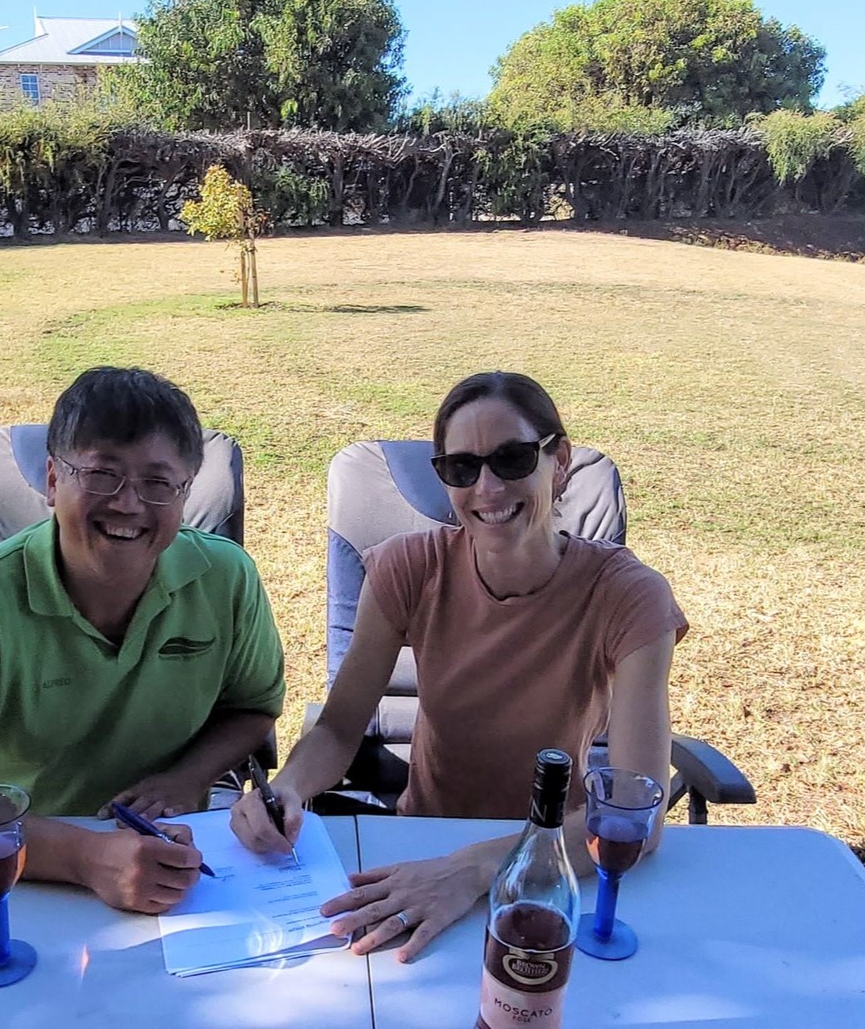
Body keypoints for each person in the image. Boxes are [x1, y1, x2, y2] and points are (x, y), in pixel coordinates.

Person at [231, 371, 684, 962]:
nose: (487, 488)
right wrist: (285, 788)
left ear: (561, 460)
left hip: (554, 861)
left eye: (513, 459)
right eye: (462, 469)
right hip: (420, 847)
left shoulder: (629, 595)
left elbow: (633, 817)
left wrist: (472, 870)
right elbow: (340, 728)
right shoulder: (407, 569)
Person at [0, 367, 286, 914]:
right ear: (51, 479)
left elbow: (251, 708)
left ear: (185, 493)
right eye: (102, 474)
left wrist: (183, 780)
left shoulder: (226, 577)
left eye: (158, 483)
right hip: (32, 858)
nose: (128, 503)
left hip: (177, 845)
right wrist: (88, 857)